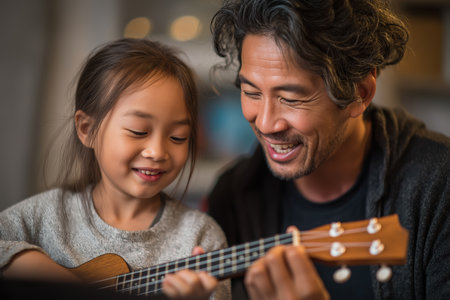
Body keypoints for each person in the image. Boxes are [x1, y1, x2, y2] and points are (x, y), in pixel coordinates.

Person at [206, 0, 450, 299]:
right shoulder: (233, 195)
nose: (267, 123)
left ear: (360, 92)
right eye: (251, 92)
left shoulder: (440, 185)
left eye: (291, 98)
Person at [0, 38, 230, 300]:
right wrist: (24, 259)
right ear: (87, 130)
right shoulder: (41, 219)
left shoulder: (200, 238)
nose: (157, 152)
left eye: (178, 137)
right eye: (138, 131)